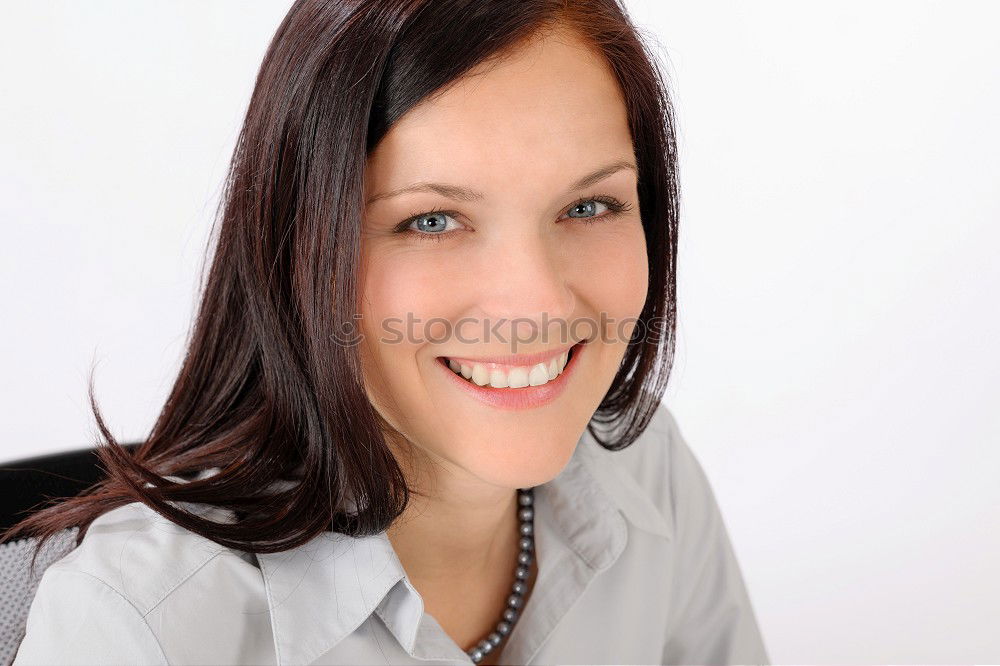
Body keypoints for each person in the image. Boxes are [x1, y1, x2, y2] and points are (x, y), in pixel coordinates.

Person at [5, 1, 769, 664]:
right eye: (431, 220)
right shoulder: (140, 632)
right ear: (301, 250)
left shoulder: (644, 469)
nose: (533, 302)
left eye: (590, 206)